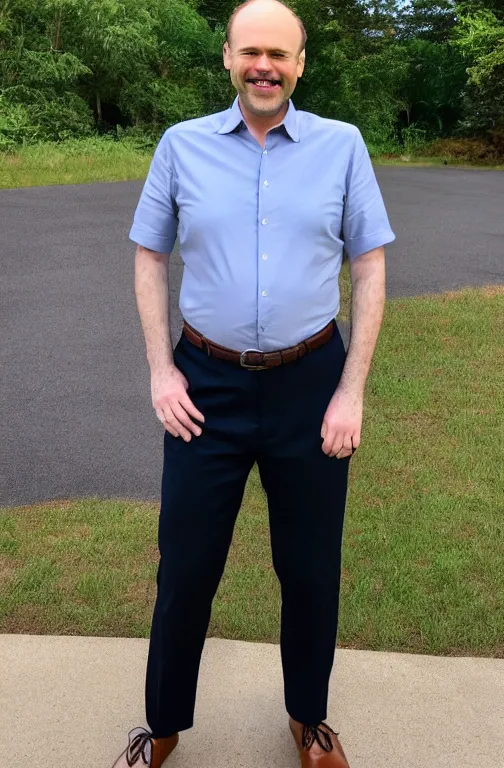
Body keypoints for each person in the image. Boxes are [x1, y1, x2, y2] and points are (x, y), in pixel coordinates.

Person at [112, 0, 395, 766]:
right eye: (250, 52)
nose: (264, 65)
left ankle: (309, 719)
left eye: (280, 53)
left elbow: (369, 269)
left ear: (301, 63)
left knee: (309, 567)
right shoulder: (182, 146)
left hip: (312, 385)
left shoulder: (342, 147)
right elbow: (149, 255)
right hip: (206, 385)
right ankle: (162, 724)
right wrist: (162, 371)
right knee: (187, 568)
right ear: (228, 58)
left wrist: (352, 391)